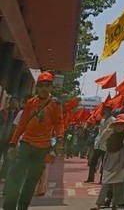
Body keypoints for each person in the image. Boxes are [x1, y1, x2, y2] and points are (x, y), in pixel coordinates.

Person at [2, 72, 64, 210]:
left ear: (51, 87)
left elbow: (59, 123)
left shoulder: (56, 103)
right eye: (41, 85)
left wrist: (59, 140)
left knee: (31, 182)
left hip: (42, 148)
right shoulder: (31, 103)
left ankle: (22, 207)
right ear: (37, 87)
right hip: (26, 144)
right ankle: (9, 206)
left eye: (47, 85)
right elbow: (21, 124)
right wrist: (12, 143)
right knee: (15, 175)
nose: (44, 88)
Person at [92, 113, 124, 210]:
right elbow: (102, 139)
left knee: (118, 185)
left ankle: (115, 205)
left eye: (122, 125)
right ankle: (98, 204)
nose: (119, 126)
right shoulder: (111, 134)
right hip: (109, 162)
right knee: (105, 183)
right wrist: (108, 129)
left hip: (121, 163)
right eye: (118, 124)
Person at [87, 104, 116, 182]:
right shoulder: (102, 120)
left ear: (111, 112)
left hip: (106, 144)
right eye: (105, 110)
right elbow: (100, 132)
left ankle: (102, 179)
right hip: (98, 143)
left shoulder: (113, 120)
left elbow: (111, 132)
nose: (106, 112)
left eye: (108, 110)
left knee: (104, 163)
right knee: (93, 161)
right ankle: (90, 178)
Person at [0, 97, 20, 180]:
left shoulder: (19, 113)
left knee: (7, 158)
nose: (13, 103)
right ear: (9, 103)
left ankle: (2, 175)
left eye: (15, 101)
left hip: (12, 139)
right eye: (12, 101)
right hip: (2, 137)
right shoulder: (4, 112)